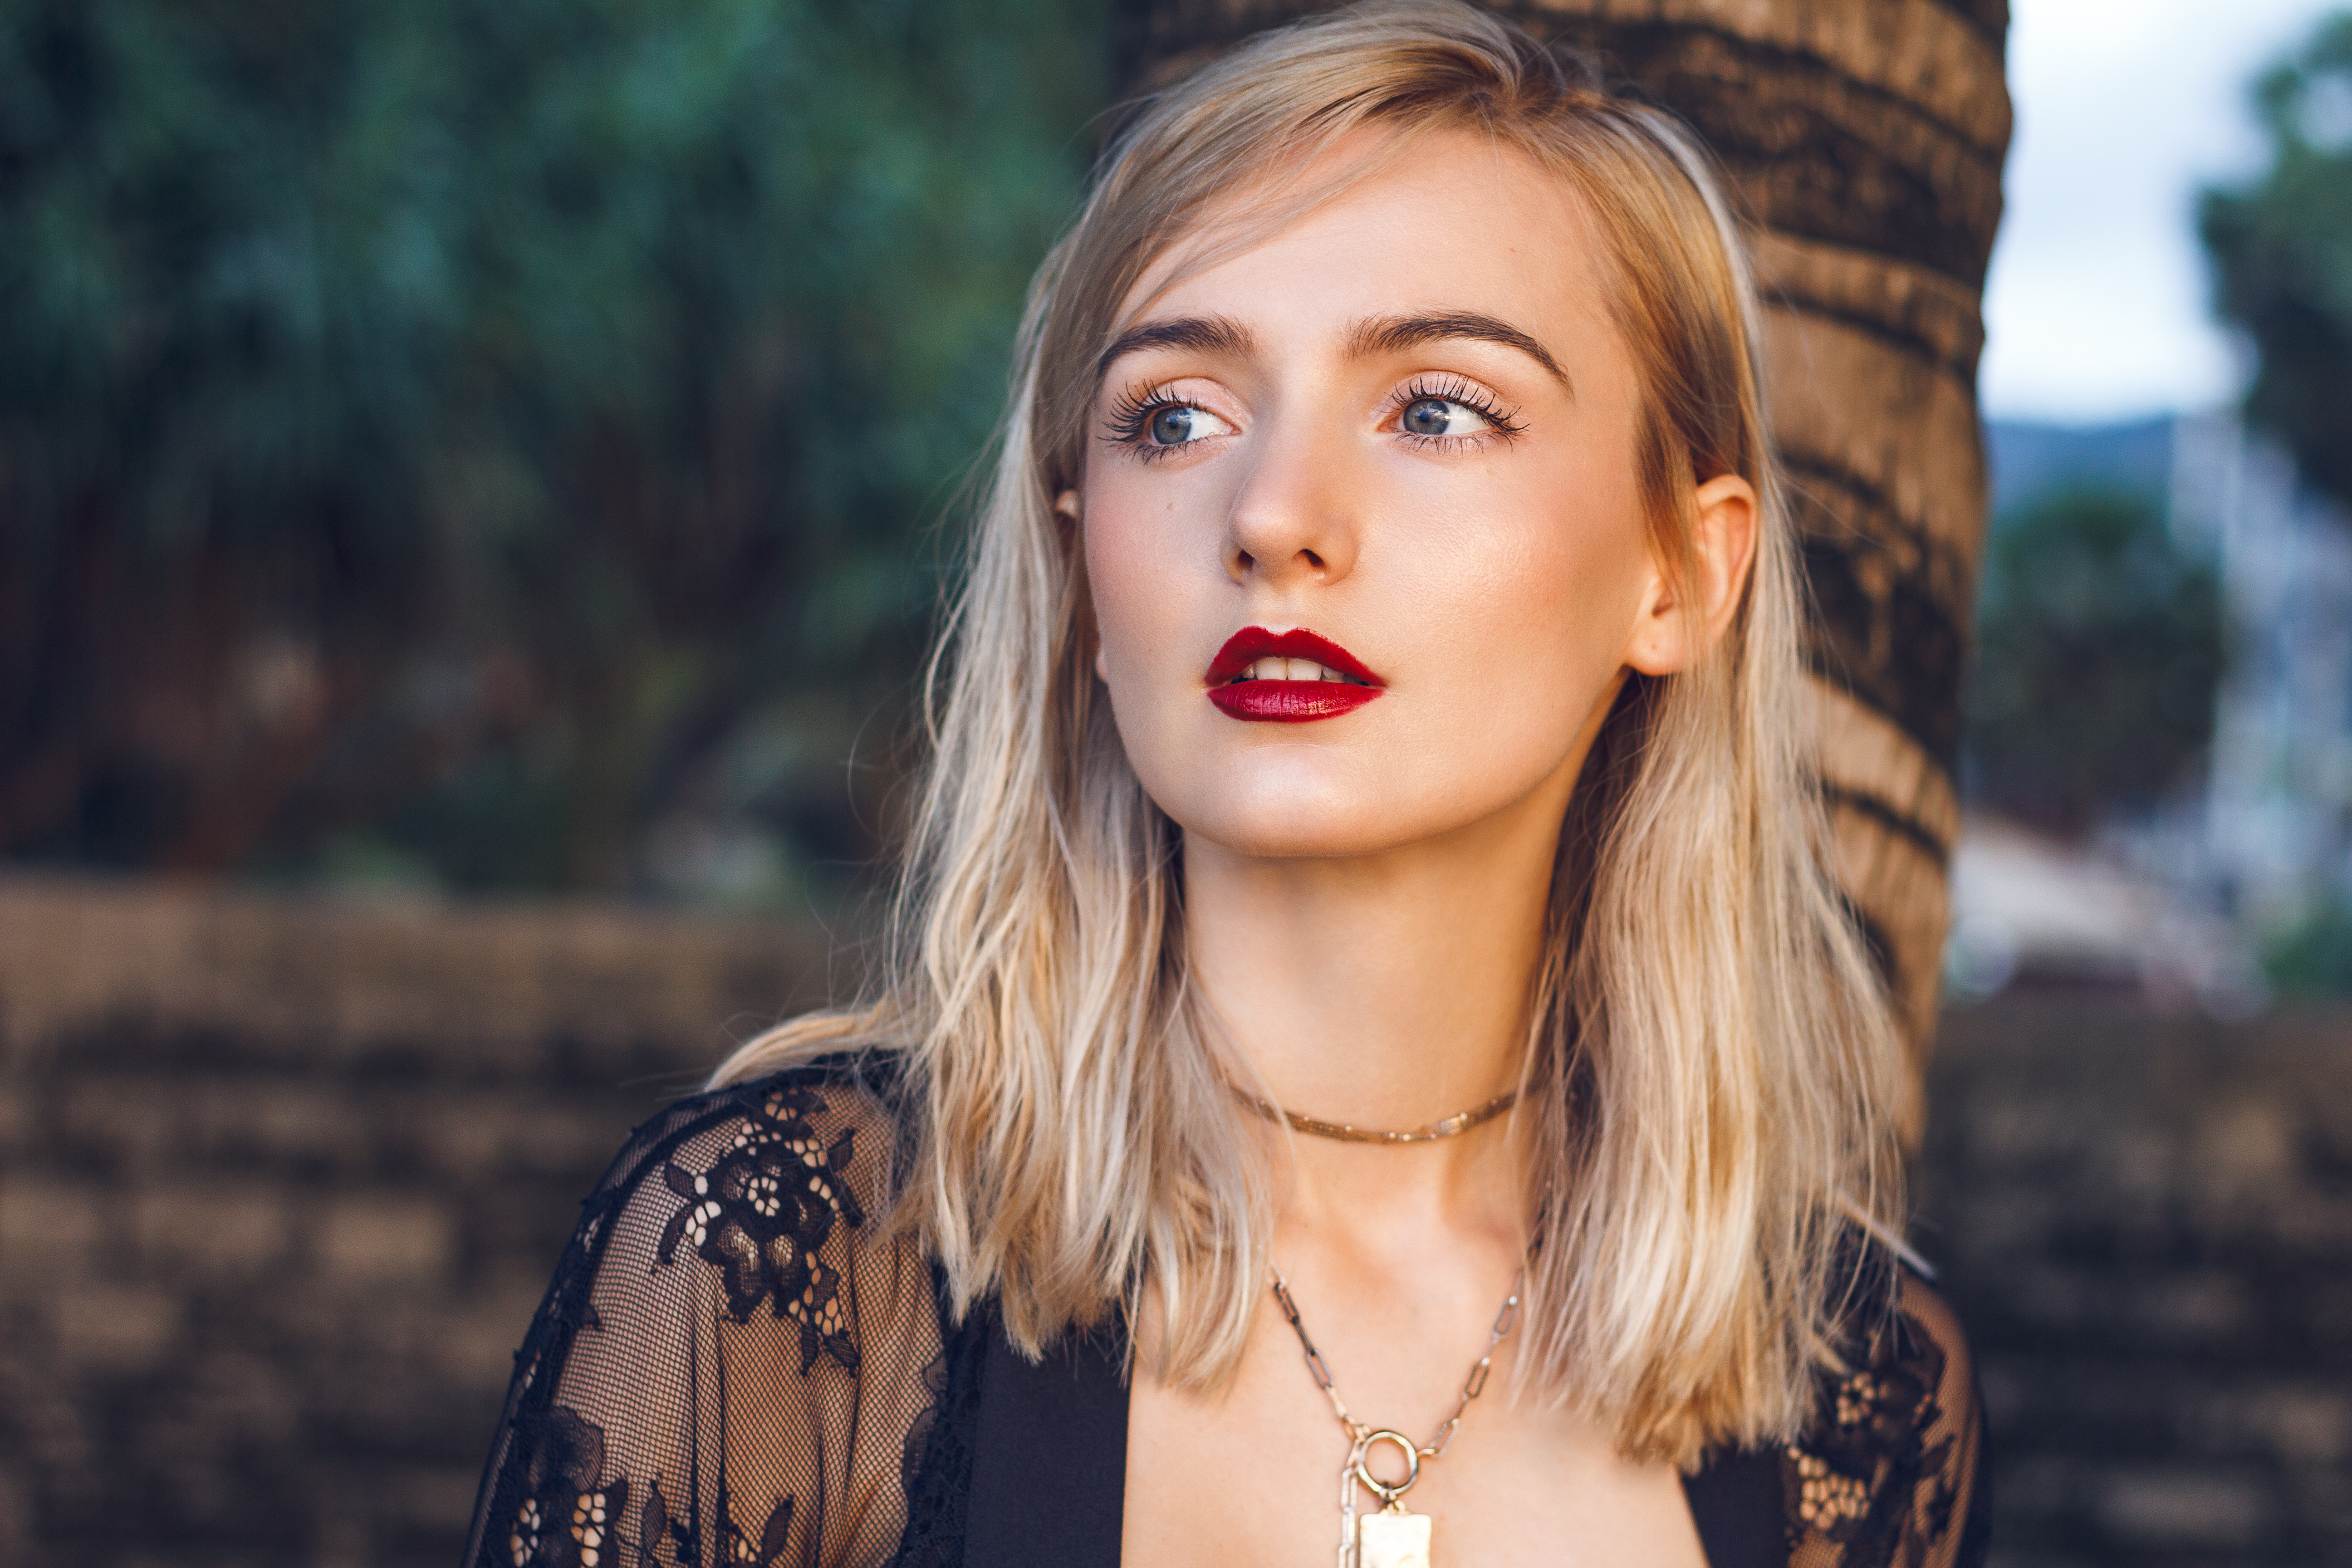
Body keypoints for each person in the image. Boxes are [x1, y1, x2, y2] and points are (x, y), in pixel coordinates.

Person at [461, 4, 1990, 1565]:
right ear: (1082, 565)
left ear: (1677, 569)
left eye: (1440, 407)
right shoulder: (783, 1277)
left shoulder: (1861, 1404)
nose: (1272, 516)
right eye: (1175, 416)